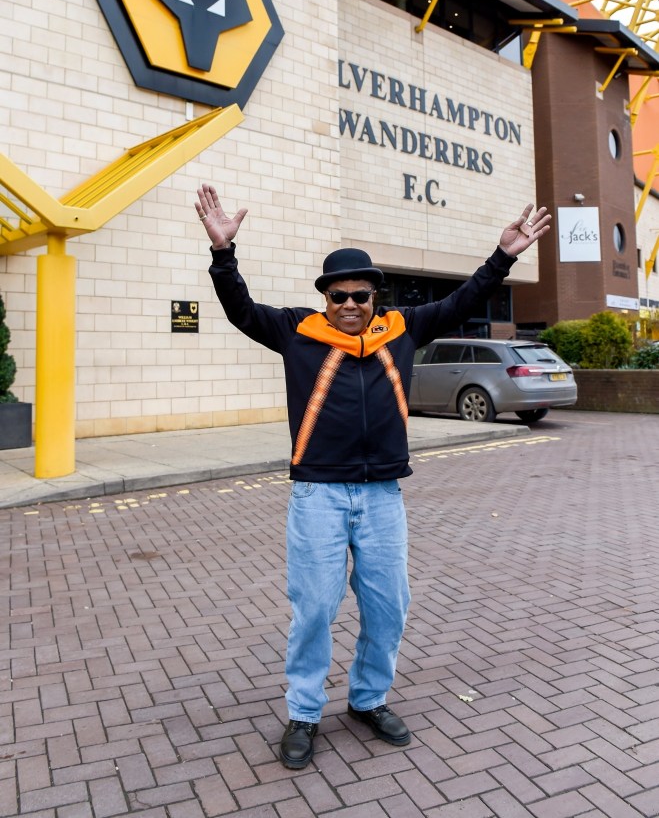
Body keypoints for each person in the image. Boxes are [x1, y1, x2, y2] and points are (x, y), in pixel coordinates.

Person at [195, 182, 550, 769]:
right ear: (326, 298)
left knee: (388, 606)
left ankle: (367, 699)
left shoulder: (401, 329)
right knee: (313, 607)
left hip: (383, 495)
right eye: (339, 296)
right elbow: (240, 309)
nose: (351, 304)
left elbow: (464, 300)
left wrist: (504, 255)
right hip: (318, 496)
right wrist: (223, 255)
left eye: (361, 294)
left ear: (375, 297)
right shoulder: (296, 331)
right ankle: (304, 712)